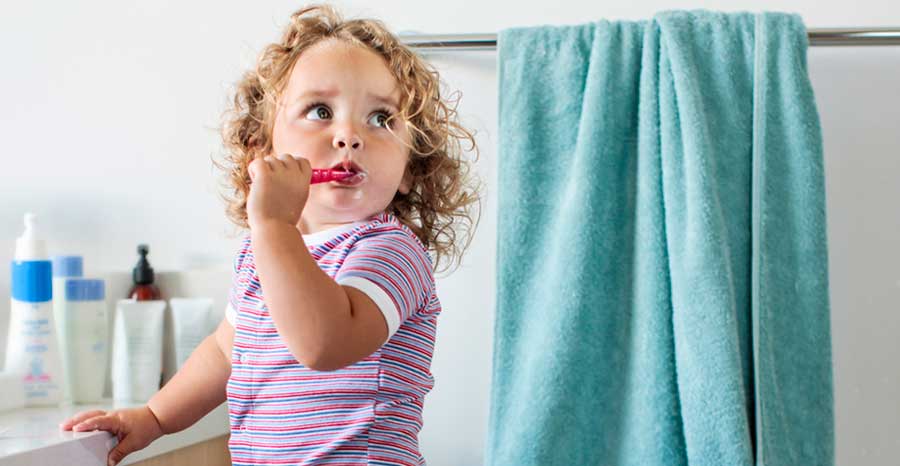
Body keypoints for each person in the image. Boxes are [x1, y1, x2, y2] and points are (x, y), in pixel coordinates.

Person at [60, 4, 480, 465]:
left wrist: (275, 226)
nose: (350, 136)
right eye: (320, 110)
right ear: (261, 151)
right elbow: (225, 349)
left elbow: (325, 342)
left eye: (381, 118)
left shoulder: (391, 250)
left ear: (408, 170)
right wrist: (155, 419)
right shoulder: (262, 250)